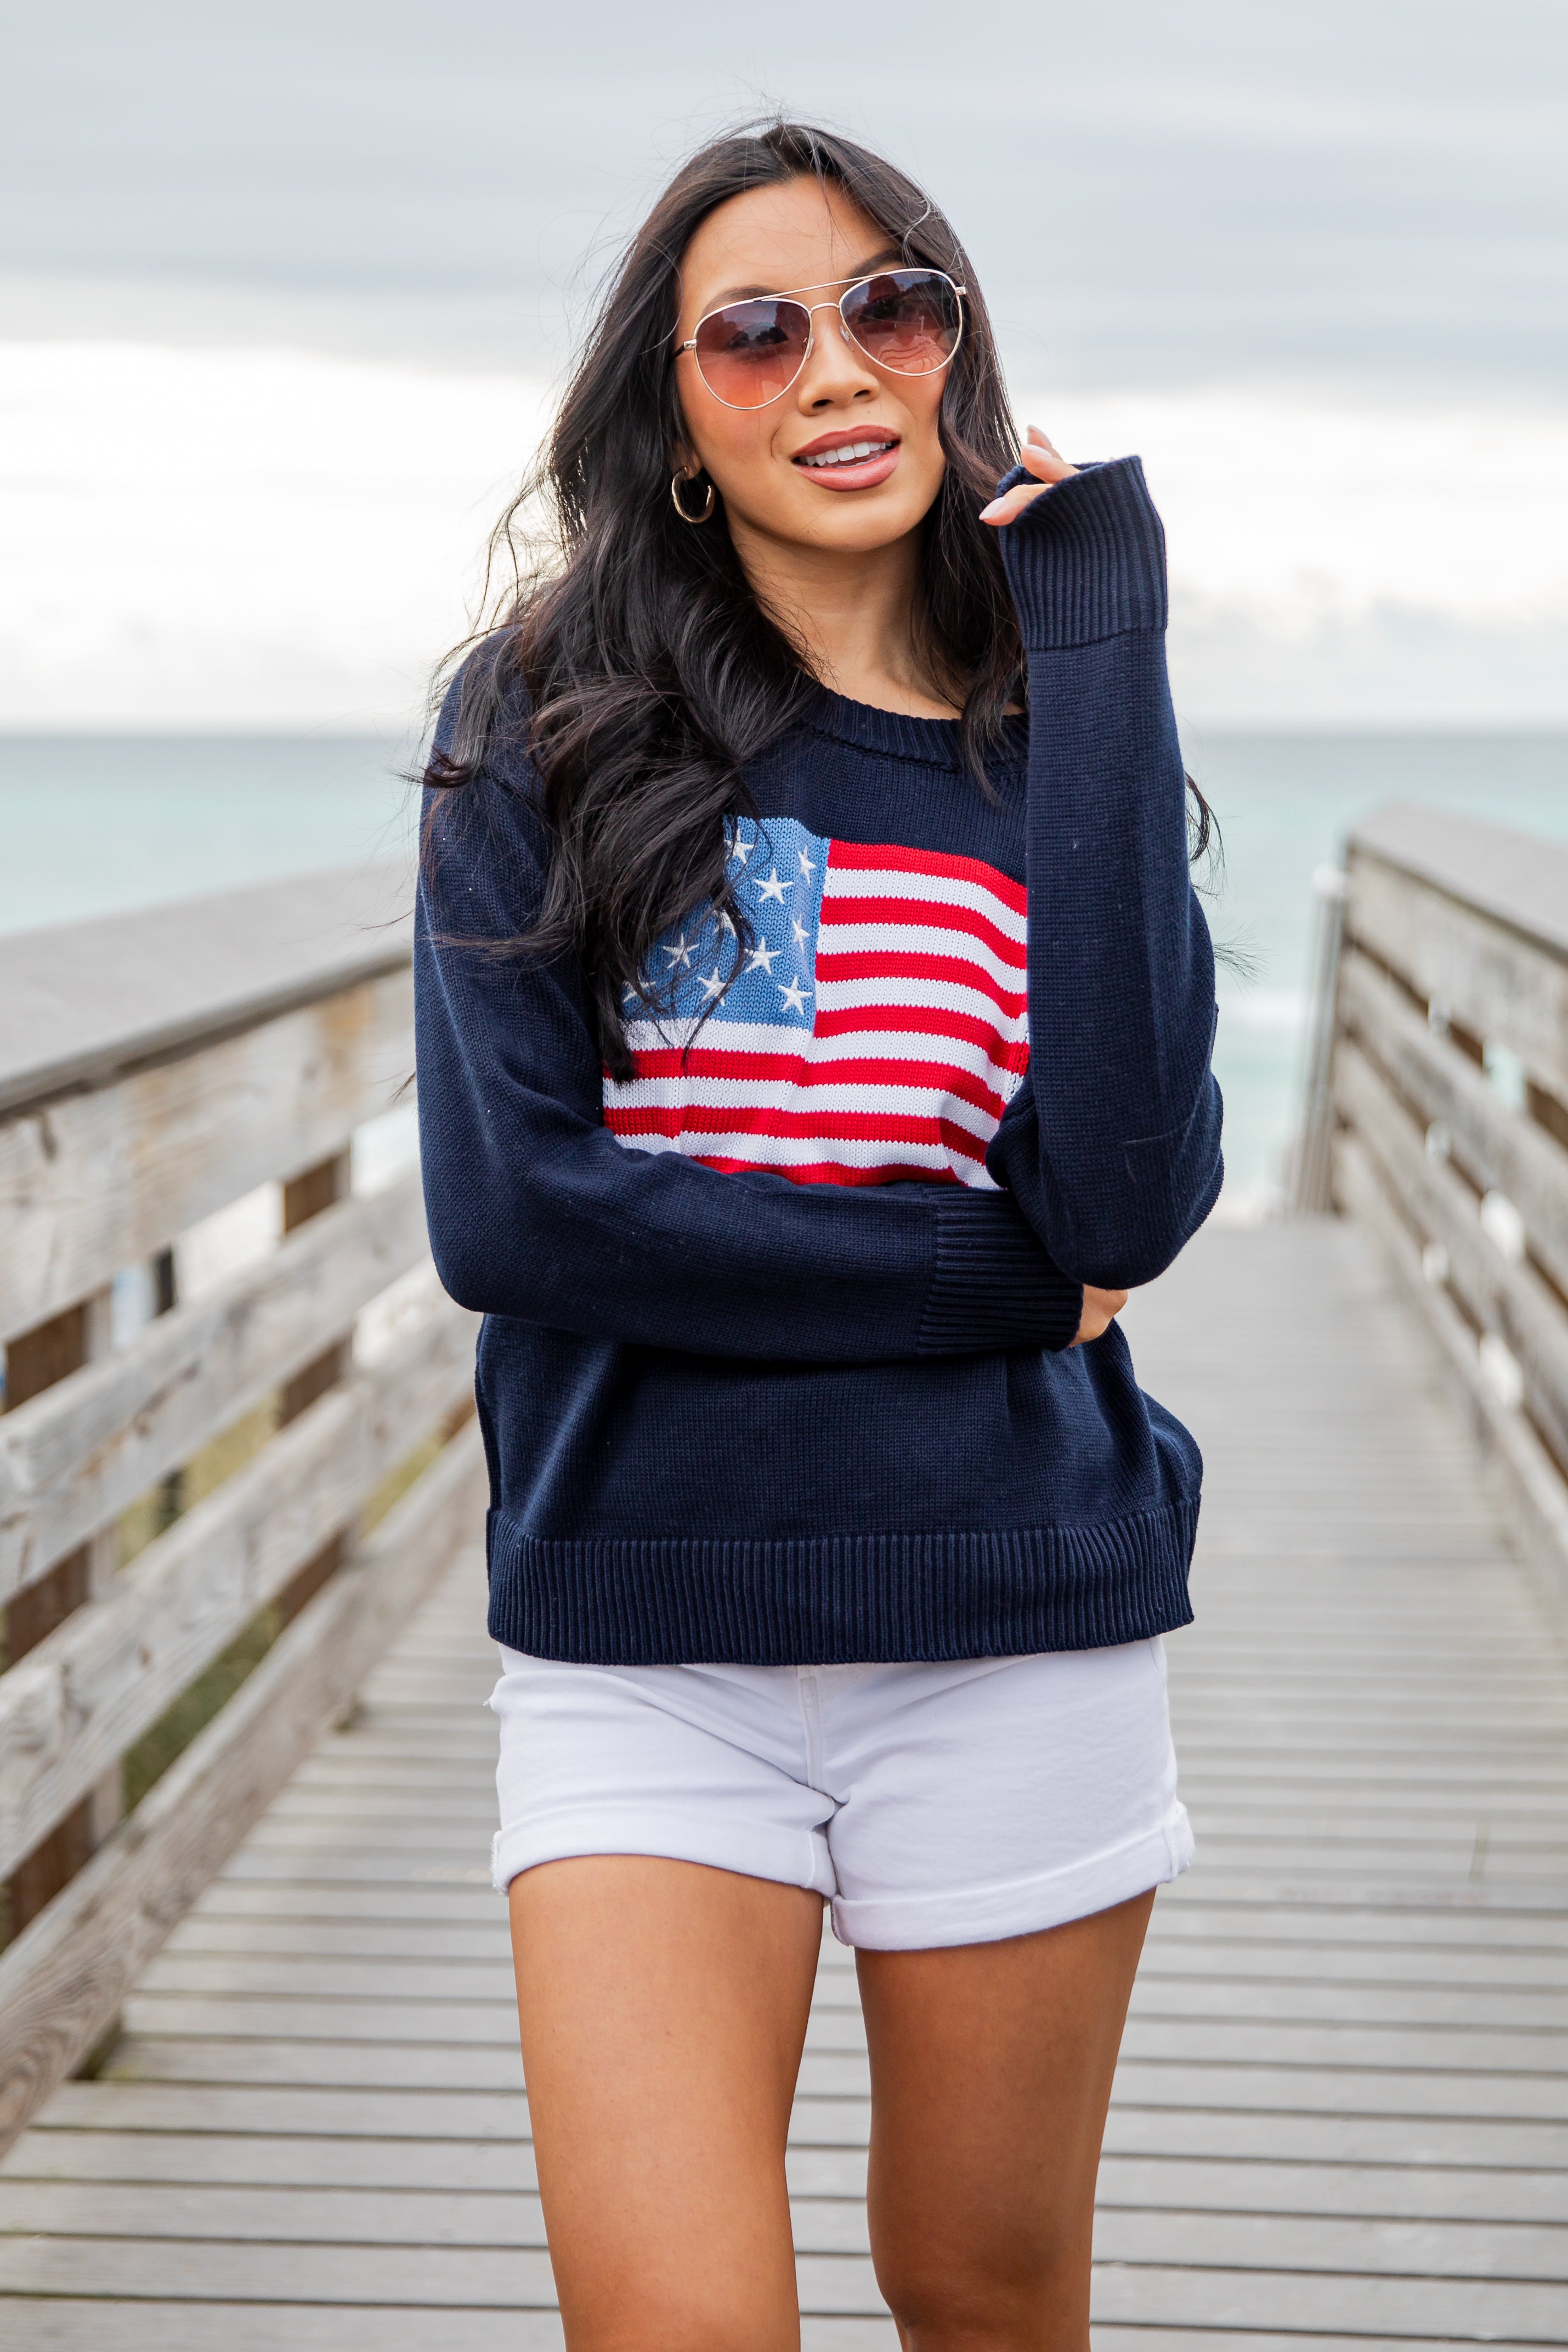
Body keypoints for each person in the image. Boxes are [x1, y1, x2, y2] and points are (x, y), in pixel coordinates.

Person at [415, 117, 1222, 2352]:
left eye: (892, 305)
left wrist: (1104, 637)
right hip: (643, 1632)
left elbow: (1133, 1194)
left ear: (954, 350)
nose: (836, 366)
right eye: (754, 330)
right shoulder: (540, 725)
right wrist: (979, 1284)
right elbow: (518, 1214)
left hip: (1012, 1620)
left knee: (980, 2292)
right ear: (673, 411)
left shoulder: (1042, 737)